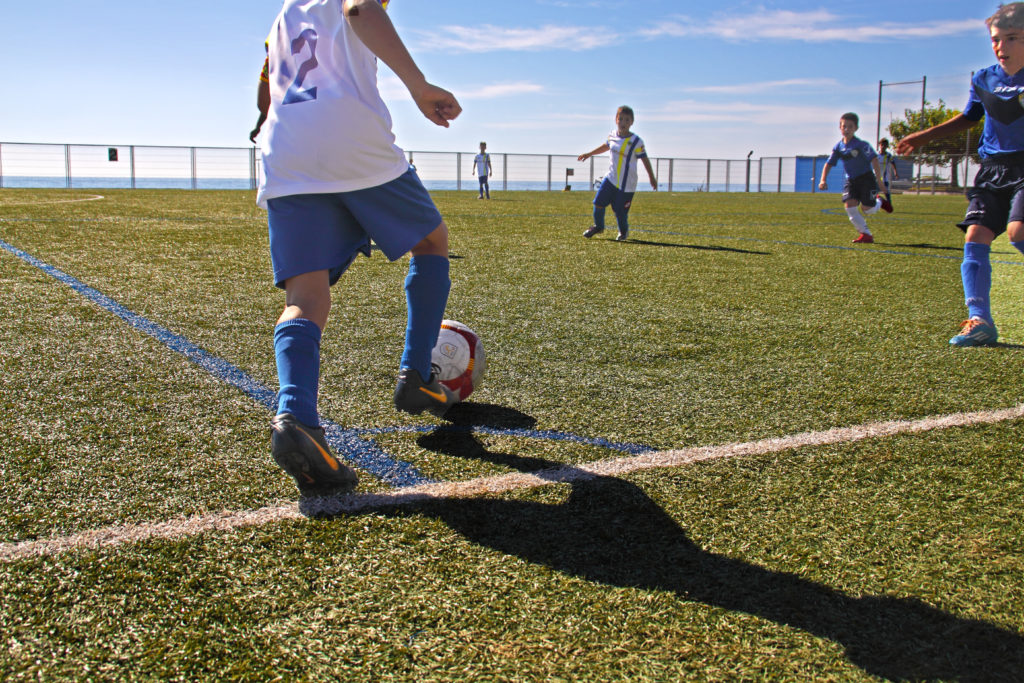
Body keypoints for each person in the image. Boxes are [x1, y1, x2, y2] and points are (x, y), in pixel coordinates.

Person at [255, 0, 462, 496]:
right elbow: (360, 7)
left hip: (284, 148)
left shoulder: (285, 12)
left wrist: (261, 118)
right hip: (350, 137)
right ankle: (416, 374)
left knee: (303, 296)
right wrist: (419, 86)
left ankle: (296, 416)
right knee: (431, 241)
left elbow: (266, 77)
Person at [896, 2, 1024, 347]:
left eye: (1012, 38)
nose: (1001, 47)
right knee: (975, 237)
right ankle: (980, 320)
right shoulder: (983, 78)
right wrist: (921, 137)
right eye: (996, 39)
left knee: (1018, 232)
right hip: (992, 171)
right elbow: (969, 117)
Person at [579, 106, 657, 242]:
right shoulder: (612, 136)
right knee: (598, 203)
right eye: (620, 119)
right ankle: (598, 226)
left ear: (632, 122)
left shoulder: (636, 141)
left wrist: (651, 177)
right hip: (611, 179)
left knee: (620, 211)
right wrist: (589, 153)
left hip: (627, 184)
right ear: (616, 120)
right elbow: (606, 146)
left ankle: (623, 231)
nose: (623, 122)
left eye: (627, 120)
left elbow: (644, 159)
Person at [818, 112, 893, 244]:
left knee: (868, 210)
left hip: (867, 179)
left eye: (850, 127)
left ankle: (879, 201)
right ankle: (866, 234)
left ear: (856, 128)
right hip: (851, 181)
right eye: (844, 126)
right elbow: (828, 164)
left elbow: (874, 159)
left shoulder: (862, 145)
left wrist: (879, 180)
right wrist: (823, 179)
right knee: (849, 207)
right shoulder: (838, 147)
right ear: (840, 128)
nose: (846, 129)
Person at [877, 137, 899, 204]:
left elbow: (893, 163)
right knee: (873, 193)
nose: (883, 146)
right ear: (879, 145)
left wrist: (895, 172)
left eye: (885, 145)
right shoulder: (876, 155)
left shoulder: (888, 155)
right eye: (882, 145)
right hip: (876, 178)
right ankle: (875, 204)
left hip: (885, 178)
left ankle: (888, 205)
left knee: (887, 193)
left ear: (887, 146)